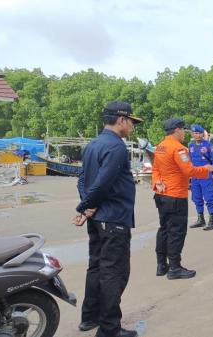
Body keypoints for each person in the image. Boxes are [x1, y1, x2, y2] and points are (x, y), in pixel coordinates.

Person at [73, 101, 142, 337]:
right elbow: (103, 182)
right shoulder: (116, 147)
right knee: (114, 272)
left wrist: (88, 207)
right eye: (131, 121)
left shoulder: (93, 144)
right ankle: (109, 329)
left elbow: (83, 180)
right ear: (121, 120)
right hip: (113, 219)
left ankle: (89, 317)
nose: (132, 126)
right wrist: (85, 206)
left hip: (98, 217)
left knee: (96, 267)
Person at [152, 118, 213, 280]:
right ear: (177, 130)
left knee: (164, 229)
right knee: (177, 231)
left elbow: (155, 169)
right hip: (175, 195)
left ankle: (161, 264)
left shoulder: (160, 147)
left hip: (162, 194)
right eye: (184, 131)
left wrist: (157, 184)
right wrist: (207, 169)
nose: (185, 134)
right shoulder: (179, 149)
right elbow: (189, 171)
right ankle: (174, 267)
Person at [188, 124, 213, 230]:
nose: (196, 135)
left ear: (202, 134)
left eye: (198, 133)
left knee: (209, 197)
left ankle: (212, 220)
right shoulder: (191, 146)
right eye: (194, 133)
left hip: (206, 176)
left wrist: (212, 172)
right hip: (195, 176)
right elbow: (190, 161)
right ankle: (200, 219)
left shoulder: (208, 145)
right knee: (196, 198)